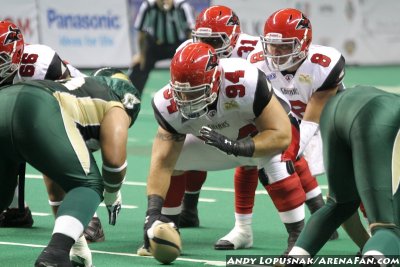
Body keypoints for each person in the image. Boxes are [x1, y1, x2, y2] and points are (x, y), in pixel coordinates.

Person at [140, 42, 307, 257]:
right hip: (219, 142)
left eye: (195, 93)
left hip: (262, 139)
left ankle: (299, 238)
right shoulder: (166, 104)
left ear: (215, 81)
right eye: (180, 93)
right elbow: (162, 161)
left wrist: (238, 147)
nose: (187, 101)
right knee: (173, 160)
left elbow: (282, 134)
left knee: (274, 162)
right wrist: (152, 214)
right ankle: (167, 229)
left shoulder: (244, 81)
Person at [0, 67, 141, 266]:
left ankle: (62, 247)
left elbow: (54, 174)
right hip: (36, 104)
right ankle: (55, 255)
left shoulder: (78, 92)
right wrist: (112, 194)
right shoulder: (114, 101)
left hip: (5, 97)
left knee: (3, 195)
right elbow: (115, 163)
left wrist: (76, 242)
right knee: (88, 184)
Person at [287, 86, 400, 265]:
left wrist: (366, 244)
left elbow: (345, 208)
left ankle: (295, 259)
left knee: (339, 204)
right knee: (389, 225)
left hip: (335, 108)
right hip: (379, 116)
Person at [128, 0, 195, 96]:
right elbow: (141, 34)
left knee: (191, 68)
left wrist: (190, 57)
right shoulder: (148, 6)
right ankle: (131, 100)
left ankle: (191, 96)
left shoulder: (182, 6)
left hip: (178, 44)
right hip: (155, 45)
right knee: (138, 66)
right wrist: (141, 55)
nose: (164, 1)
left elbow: (190, 34)